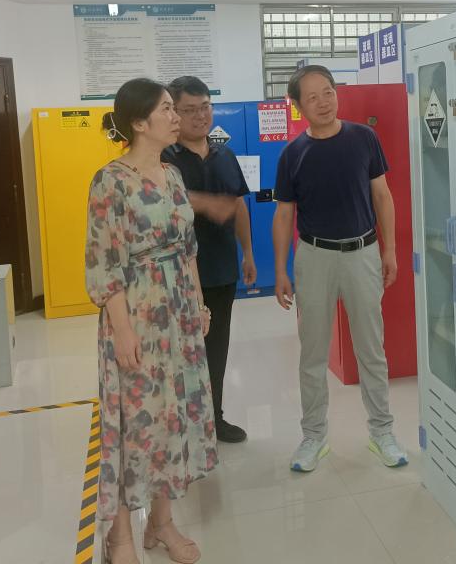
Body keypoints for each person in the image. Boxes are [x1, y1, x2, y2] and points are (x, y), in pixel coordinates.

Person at [85, 78, 217, 564]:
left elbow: (188, 250)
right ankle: (119, 536)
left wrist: (198, 305)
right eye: (167, 109)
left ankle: (161, 524)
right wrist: (122, 331)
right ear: (139, 122)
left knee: (171, 417)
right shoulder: (110, 181)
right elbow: (104, 262)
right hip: (136, 314)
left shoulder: (173, 175)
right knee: (132, 423)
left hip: (178, 314)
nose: (176, 117)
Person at [272, 64, 408, 473]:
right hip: (314, 257)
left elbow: (382, 196)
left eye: (328, 92)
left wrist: (390, 250)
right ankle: (314, 437)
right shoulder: (293, 154)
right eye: (312, 97)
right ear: (299, 106)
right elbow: (284, 215)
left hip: (363, 252)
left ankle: (382, 432)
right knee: (312, 352)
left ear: (337, 93)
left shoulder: (364, 138)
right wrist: (280, 270)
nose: (323, 102)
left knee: (371, 348)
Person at [164, 75, 255, 444]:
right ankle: (180, 425)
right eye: (189, 110)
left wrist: (248, 253)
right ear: (173, 112)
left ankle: (213, 419)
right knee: (180, 352)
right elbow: (159, 203)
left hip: (221, 270)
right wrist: (202, 202)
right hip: (177, 276)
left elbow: (238, 205)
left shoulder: (225, 155)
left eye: (205, 107)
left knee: (216, 348)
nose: (200, 116)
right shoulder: (163, 158)